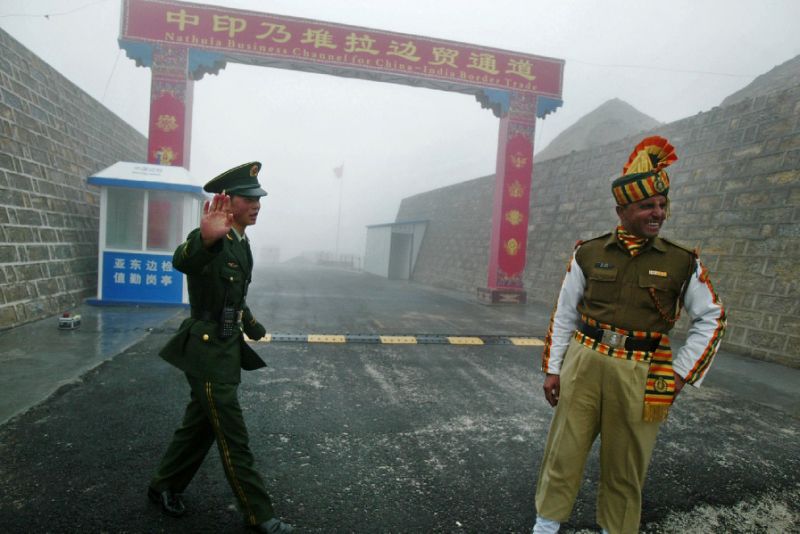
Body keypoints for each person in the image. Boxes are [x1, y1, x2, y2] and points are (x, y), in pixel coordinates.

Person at [531, 136, 727, 534]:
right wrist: (553, 369)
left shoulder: (681, 261)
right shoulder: (587, 252)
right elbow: (565, 312)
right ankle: (545, 527)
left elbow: (712, 318)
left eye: (662, 205)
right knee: (562, 453)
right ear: (621, 210)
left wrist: (679, 374)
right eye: (646, 206)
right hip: (583, 362)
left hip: (643, 371)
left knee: (626, 465)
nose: (658, 214)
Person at [147, 162, 293, 533]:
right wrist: (207, 238)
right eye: (249, 198)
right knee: (232, 435)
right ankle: (260, 515)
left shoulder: (242, 243)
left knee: (200, 426)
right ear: (227, 202)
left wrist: (251, 324)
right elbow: (183, 260)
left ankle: (164, 485)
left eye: (258, 198)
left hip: (226, 348)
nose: (257, 204)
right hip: (208, 351)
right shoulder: (212, 238)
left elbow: (234, 297)